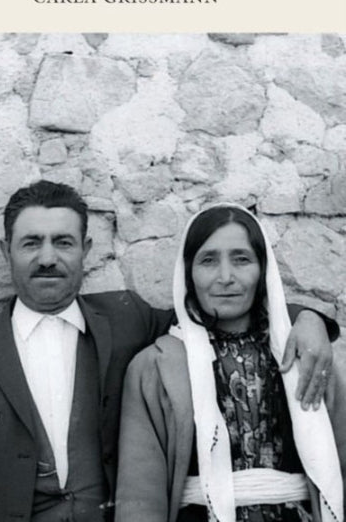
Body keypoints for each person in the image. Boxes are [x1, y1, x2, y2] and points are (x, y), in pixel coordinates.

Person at [0, 184, 338, 522]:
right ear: (6, 250)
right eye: (31, 243)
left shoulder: (127, 319)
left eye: (63, 242)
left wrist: (308, 319)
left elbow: (220, 312)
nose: (47, 258)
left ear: (86, 249)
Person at [115, 204, 346, 522]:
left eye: (242, 260)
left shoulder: (306, 355)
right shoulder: (155, 368)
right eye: (208, 261)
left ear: (263, 270)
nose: (225, 277)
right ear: (188, 273)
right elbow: (140, 496)